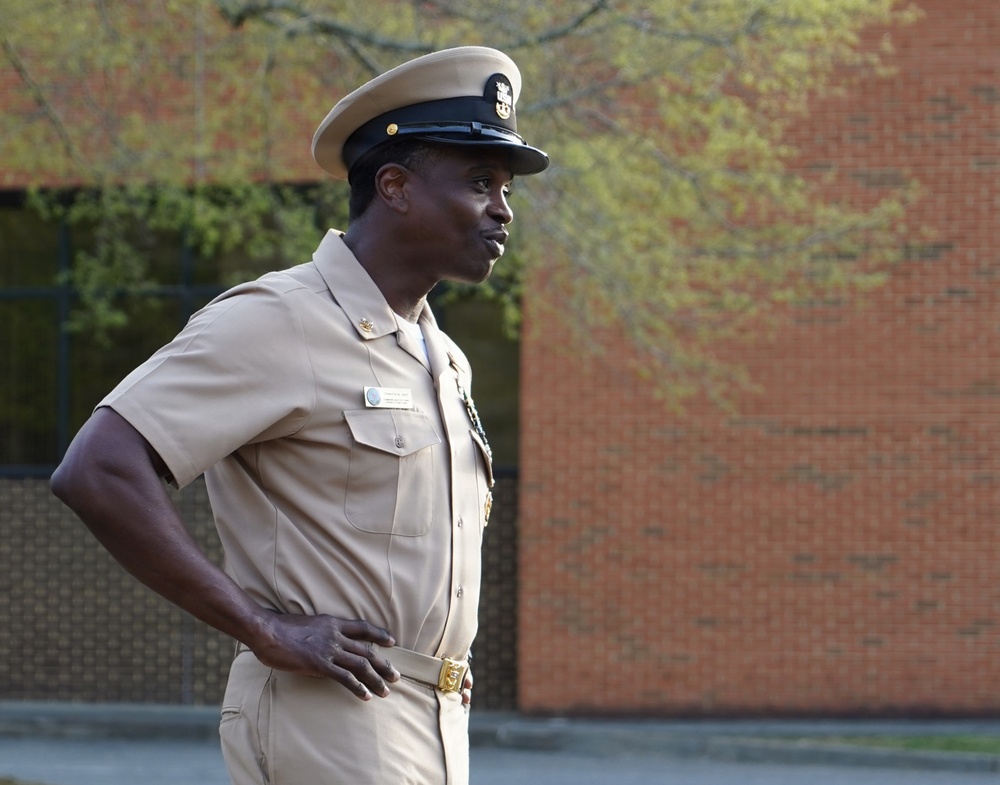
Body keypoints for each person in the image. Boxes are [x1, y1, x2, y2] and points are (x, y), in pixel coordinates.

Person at [50, 46, 548, 785]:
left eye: (506, 187)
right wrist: (266, 628)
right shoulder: (279, 319)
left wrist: (436, 662)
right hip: (327, 716)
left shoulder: (441, 357)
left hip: (431, 716)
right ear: (395, 186)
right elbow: (99, 468)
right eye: (480, 182)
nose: (503, 209)